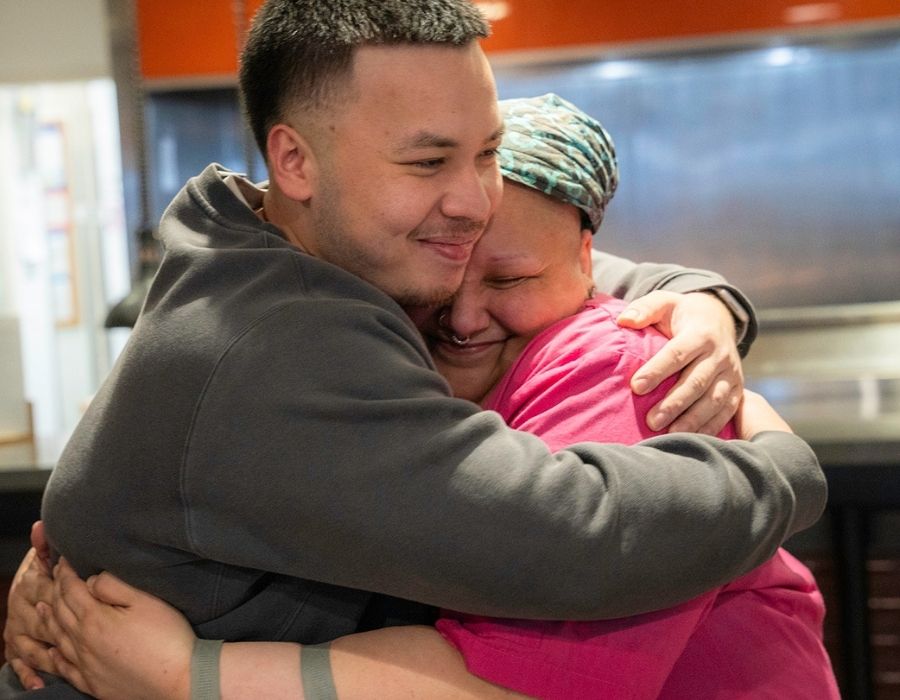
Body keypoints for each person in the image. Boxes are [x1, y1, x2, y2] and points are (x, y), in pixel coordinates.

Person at [2, 1, 826, 697]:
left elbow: (543, 266)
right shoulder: (287, 348)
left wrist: (694, 295)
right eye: (428, 160)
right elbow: (574, 536)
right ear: (294, 159)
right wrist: (781, 470)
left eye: (488, 153)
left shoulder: (255, 243)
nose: (471, 201)